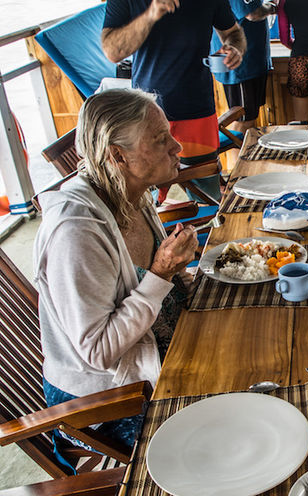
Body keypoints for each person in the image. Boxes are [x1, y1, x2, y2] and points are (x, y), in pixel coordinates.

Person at [33, 89, 198, 451]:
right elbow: (98, 351)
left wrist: (180, 273)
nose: (177, 147)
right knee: (224, 426)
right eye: (159, 139)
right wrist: (162, 273)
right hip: (108, 400)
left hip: (161, 349)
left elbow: (165, 281)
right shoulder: (76, 232)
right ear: (117, 155)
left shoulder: (132, 193)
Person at [102, 0, 247, 202]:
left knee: (207, 196)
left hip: (197, 110)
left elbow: (233, 33)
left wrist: (235, 48)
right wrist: (151, 14)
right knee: (147, 200)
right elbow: (113, 51)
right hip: (144, 115)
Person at [212, 0, 278, 134]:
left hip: (249, 61)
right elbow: (253, 14)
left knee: (248, 117)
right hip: (241, 65)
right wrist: (273, 5)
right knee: (242, 120)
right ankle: (238, 156)